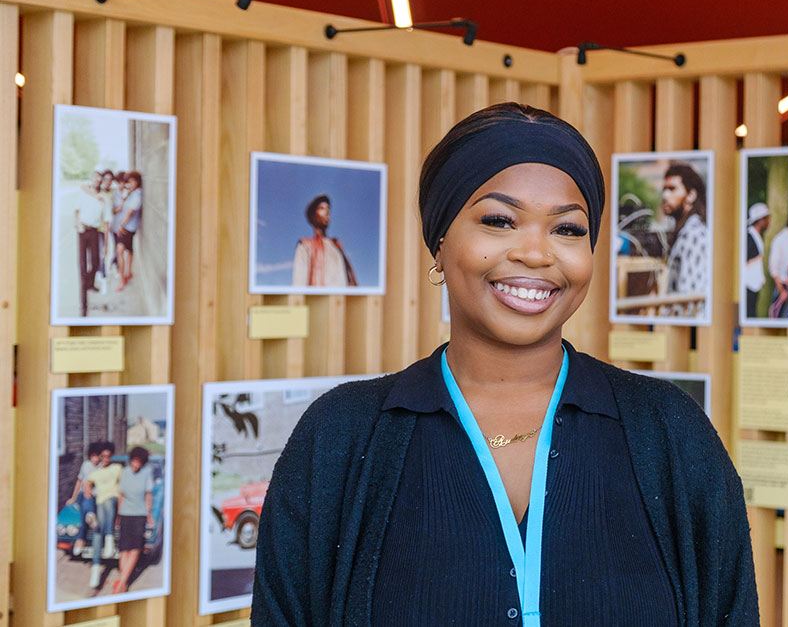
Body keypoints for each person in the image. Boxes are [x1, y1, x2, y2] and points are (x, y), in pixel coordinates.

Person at [253, 103, 757, 625]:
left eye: (567, 229)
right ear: (440, 240)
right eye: (499, 220)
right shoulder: (340, 438)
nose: (536, 253)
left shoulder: (669, 431)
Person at [660, 163, 709, 317]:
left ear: (691, 195)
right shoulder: (687, 230)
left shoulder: (692, 234)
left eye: (672, 189)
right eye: (664, 189)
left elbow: (688, 295)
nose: (665, 196)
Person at [291, 194, 358, 288]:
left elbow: (351, 283)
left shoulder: (337, 247)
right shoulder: (305, 245)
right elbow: (298, 284)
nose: (327, 212)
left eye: (328, 209)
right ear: (313, 216)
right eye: (322, 208)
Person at [115, 446, 154, 593]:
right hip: (126, 514)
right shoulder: (124, 472)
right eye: (133, 462)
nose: (135, 465)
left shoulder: (146, 473)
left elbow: (148, 496)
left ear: (142, 463)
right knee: (124, 550)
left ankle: (121, 583)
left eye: (138, 463)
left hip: (139, 515)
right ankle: (123, 583)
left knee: (135, 550)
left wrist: (149, 515)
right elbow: (121, 496)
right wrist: (118, 515)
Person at [84, 442, 122, 590]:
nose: (106, 458)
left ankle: (109, 539)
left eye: (108, 456)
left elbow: (122, 489)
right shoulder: (95, 473)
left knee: (106, 503)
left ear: (111, 456)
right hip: (101, 505)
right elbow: (87, 485)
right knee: (98, 529)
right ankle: (96, 569)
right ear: (99, 457)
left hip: (112, 502)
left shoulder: (117, 468)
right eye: (103, 456)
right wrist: (88, 491)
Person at [74, 171, 106, 316]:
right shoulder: (83, 193)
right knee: (82, 266)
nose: (97, 181)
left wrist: (105, 245)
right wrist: (76, 223)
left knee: (95, 263)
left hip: (94, 231)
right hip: (82, 231)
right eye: (95, 178)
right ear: (92, 179)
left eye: (100, 179)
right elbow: (76, 211)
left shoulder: (104, 198)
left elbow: (106, 223)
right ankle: (83, 306)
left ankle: (89, 283)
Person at [64, 441, 103, 557]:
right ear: (90, 455)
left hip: (96, 496)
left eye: (97, 456)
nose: (95, 459)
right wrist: (73, 497)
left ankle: (80, 540)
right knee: (86, 500)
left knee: (85, 511)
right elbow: (79, 481)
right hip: (83, 495)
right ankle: (90, 514)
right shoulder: (85, 465)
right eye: (93, 456)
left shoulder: (102, 467)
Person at [115, 171, 143, 292]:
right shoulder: (133, 193)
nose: (130, 184)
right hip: (130, 227)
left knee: (119, 251)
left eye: (132, 181)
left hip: (128, 228)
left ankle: (122, 279)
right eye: (128, 182)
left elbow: (130, 212)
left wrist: (121, 225)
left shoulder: (137, 195)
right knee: (129, 250)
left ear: (137, 181)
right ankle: (129, 272)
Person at [744, 202, 770, 318]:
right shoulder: (748, 237)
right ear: (760, 220)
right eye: (767, 219)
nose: (769, 222)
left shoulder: (756, 236)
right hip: (748, 286)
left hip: (754, 287)